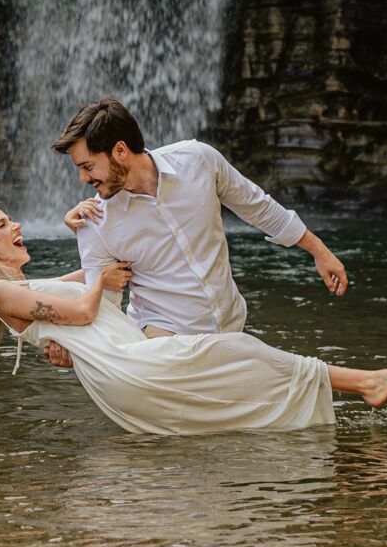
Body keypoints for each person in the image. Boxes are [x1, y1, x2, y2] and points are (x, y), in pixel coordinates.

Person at [0, 202, 387, 435]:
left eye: (13, 218)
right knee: (242, 352)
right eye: (3, 225)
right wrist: (98, 285)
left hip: (125, 368)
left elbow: (99, 281)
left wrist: (83, 227)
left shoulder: (26, 288)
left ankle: (344, 400)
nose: (17, 226)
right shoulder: (1, 290)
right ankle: (368, 383)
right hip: (129, 367)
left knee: (239, 375)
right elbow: (85, 306)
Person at [42, 96, 349, 370]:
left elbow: (259, 207)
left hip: (230, 329)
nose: (83, 178)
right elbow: (104, 304)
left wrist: (319, 251)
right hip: (163, 342)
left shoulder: (199, 160)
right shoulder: (94, 222)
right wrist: (73, 349)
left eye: (88, 166)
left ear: (120, 150)